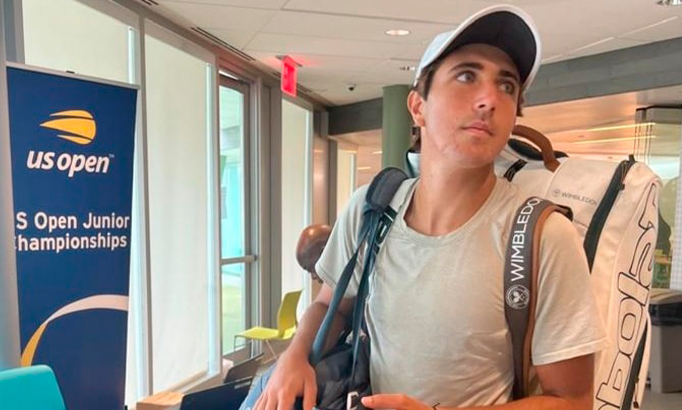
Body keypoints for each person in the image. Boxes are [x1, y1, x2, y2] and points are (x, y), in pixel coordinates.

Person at [252, 5, 607, 410]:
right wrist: (296, 355)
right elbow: (330, 305)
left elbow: (573, 400)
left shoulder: (543, 237)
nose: (489, 99)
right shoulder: (371, 208)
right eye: (467, 76)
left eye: (507, 86)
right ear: (418, 107)